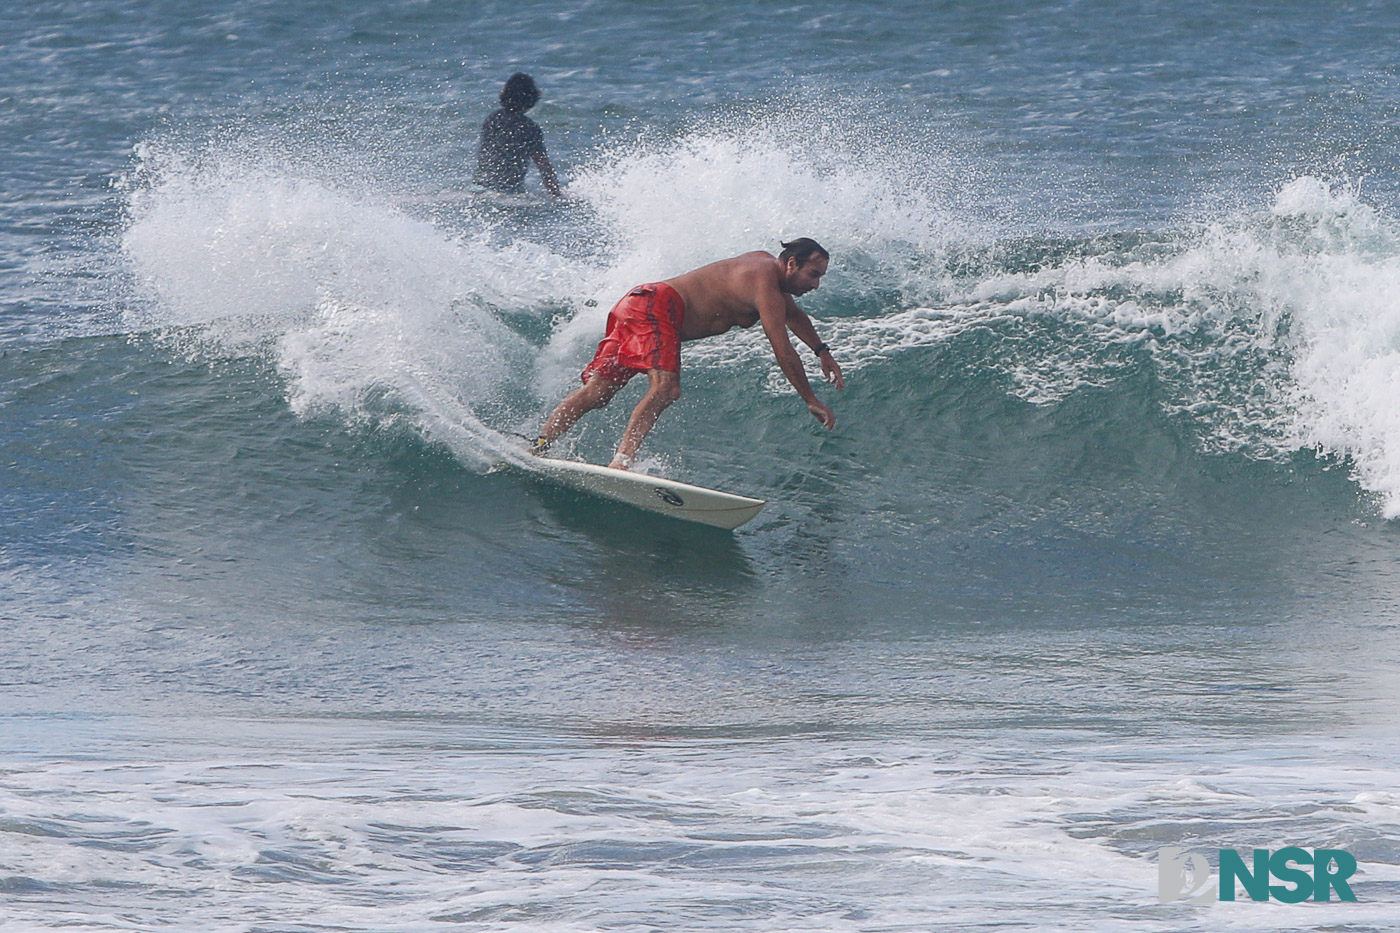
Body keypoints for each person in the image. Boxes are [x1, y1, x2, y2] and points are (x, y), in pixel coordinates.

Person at [532, 238, 845, 470]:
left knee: (599, 392)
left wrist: (821, 351)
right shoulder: (765, 283)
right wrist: (810, 399)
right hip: (657, 306)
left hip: (639, 303)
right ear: (791, 263)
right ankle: (621, 463)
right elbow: (783, 351)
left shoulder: (769, 277)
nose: (816, 284)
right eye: (813, 274)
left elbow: (795, 315)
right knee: (666, 388)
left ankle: (541, 444)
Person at [475, 72, 562, 197]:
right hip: (509, 191)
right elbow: (544, 166)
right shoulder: (530, 128)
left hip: (479, 186)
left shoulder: (493, 118)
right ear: (531, 98)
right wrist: (557, 195)